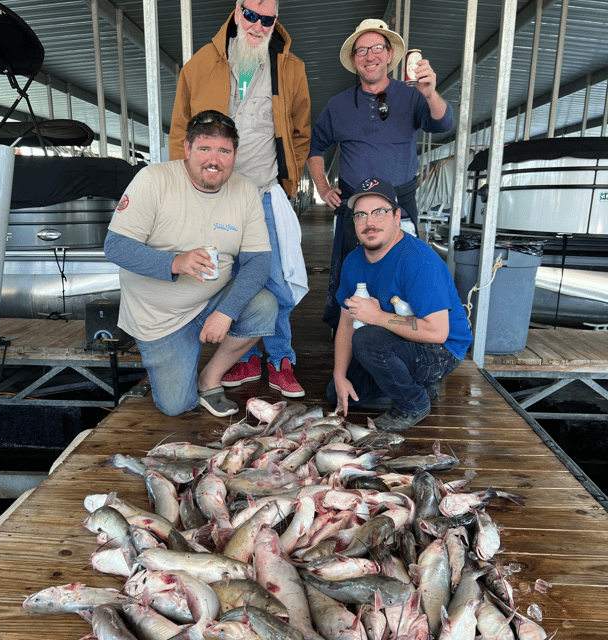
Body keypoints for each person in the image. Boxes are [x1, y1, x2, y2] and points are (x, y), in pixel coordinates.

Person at [168, 0, 311, 398]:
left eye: (268, 19)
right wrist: (186, 193)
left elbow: (300, 132)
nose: (258, 25)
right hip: (213, 198)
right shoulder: (199, 65)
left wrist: (287, 183)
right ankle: (240, 357)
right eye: (251, 14)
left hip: (263, 194)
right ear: (236, 10)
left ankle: (281, 359)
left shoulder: (291, 68)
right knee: (224, 279)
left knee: (276, 283)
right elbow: (180, 129)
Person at [104, 110, 278, 418]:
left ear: (235, 154)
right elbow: (116, 247)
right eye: (204, 149)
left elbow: (259, 262)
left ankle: (209, 378)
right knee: (176, 406)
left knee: (264, 307)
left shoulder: (245, 190)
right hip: (158, 319)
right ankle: (178, 363)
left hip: (211, 303)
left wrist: (226, 311)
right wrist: (176, 262)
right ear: (187, 148)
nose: (214, 160)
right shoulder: (153, 179)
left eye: (224, 151)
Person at [306, 18, 454, 329]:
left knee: (405, 267)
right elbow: (315, 147)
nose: (369, 56)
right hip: (354, 205)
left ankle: (403, 329)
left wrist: (430, 93)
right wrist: (321, 186)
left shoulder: (413, 96)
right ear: (353, 60)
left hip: (400, 200)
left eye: (376, 48)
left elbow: (443, 124)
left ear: (389, 55)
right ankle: (346, 333)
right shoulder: (337, 105)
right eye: (361, 50)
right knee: (352, 270)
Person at [329, 177, 472, 431]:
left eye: (379, 212)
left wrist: (378, 316)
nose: (369, 222)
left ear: (397, 216)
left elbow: (438, 332)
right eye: (360, 215)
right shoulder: (352, 261)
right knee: (336, 393)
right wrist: (339, 376)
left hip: (443, 348)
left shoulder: (418, 262)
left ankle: (413, 403)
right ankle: (417, 382)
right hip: (396, 339)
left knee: (367, 340)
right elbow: (345, 322)